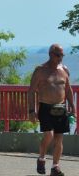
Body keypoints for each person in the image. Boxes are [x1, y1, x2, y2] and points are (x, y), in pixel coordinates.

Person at [28, 44, 76, 176]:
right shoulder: (40, 70)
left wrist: (72, 105)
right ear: (50, 54)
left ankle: (55, 167)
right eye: (58, 55)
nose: (61, 58)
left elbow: (68, 89)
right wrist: (31, 110)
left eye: (62, 55)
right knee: (48, 135)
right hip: (45, 107)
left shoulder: (64, 69)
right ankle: (41, 158)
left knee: (59, 138)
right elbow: (31, 91)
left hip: (61, 108)